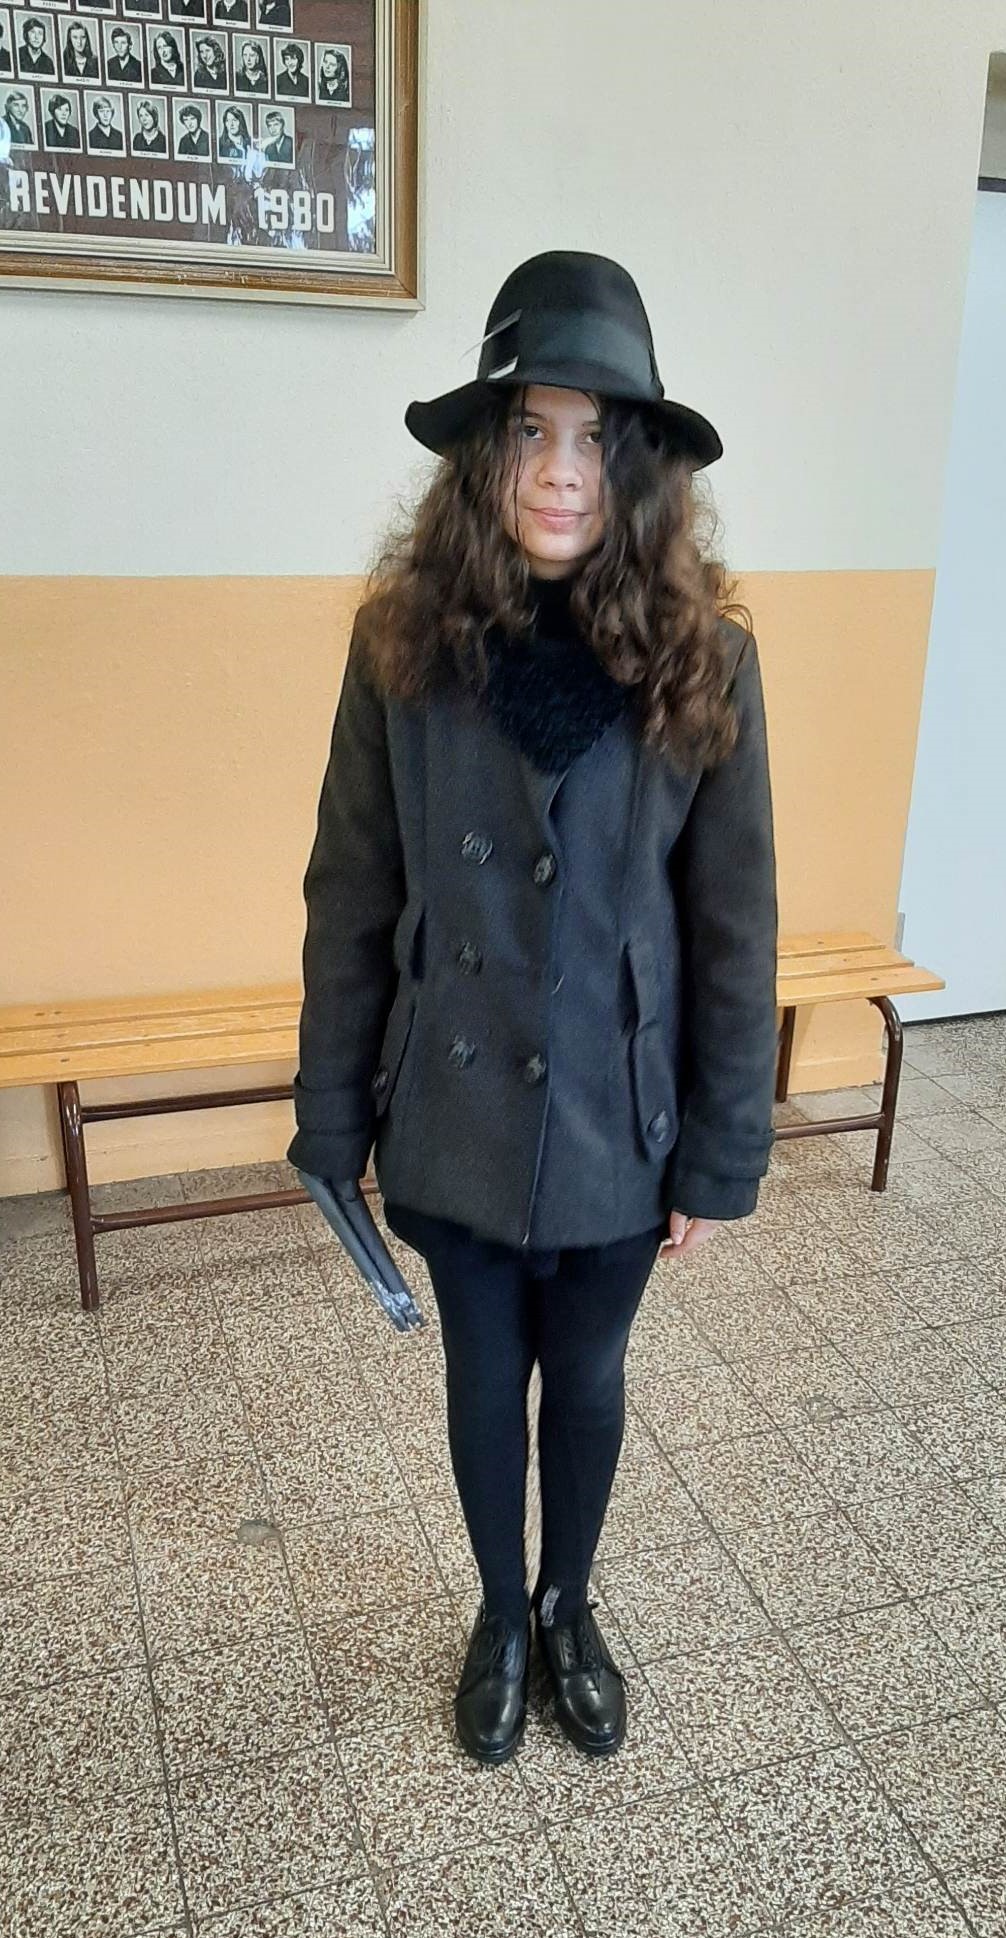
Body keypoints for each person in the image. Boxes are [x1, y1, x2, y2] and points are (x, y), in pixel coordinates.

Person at [287, 252, 779, 1767]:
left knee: (592, 1377)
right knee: (481, 1376)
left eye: (593, 438)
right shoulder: (402, 647)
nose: (559, 472)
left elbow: (732, 924)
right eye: (528, 431)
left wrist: (718, 1154)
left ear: (638, 468)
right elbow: (351, 890)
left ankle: (571, 1602)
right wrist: (329, 1116)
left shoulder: (707, 659)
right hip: (452, 1114)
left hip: (620, 1121)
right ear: (483, 453)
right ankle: (500, 1612)